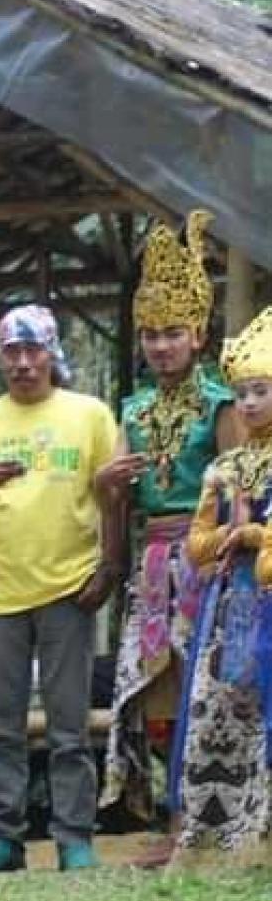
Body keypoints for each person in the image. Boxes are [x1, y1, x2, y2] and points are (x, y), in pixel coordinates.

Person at [0, 305, 120, 872]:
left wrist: (109, 568)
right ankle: (4, 838)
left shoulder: (89, 416)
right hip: (0, 589)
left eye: (32, 350)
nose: (22, 362)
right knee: (1, 724)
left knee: (69, 723)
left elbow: (114, 497)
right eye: (11, 352)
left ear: (51, 353)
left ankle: (74, 838)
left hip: (70, 586)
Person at [94, 211, 240, 868]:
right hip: (153, 565)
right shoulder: (131, 411)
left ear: (199, 334)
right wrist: (105, 487)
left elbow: (238, 484)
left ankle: (205, 824)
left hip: (205, 559)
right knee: (157, 694)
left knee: (208, 690)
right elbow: (117, 501)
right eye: (151, 334)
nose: (160, 346)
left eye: (172, 332)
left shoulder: (220, 405)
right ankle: (174, 821)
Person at [171, 306, 272, 869]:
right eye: (242, 394)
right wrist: (230, 536)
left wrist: (253, 533)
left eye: (261, 391)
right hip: (230, 606)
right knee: (221, 713)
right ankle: (217, 838)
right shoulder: (224, 468)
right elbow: (196, 545)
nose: (249, 403)